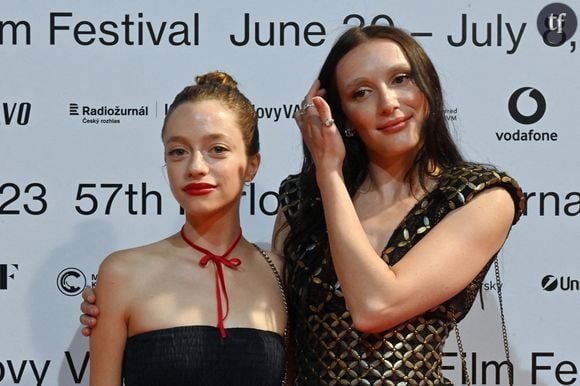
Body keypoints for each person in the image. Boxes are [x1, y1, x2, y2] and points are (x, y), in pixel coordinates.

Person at [82, 26, 524, 385]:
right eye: (361, 92)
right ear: (340, 113)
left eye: (401, 79)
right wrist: (123, 302)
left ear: (428, 88)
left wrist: (327, 170)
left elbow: (375, 306)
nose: (389, 103)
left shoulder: (480, 195)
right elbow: (281, 339)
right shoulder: (301, 202)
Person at [88, 71, 288, 386]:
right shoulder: (121, 273)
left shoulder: (280, 274)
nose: (195, 167)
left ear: (252, 165)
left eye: (217, 149)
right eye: (178, 151)